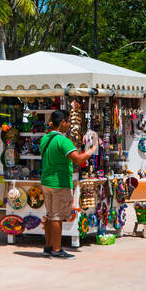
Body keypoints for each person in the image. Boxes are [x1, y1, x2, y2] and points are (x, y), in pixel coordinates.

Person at [39, 109, 93, 258]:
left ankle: (48, 246)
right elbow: (77, 159)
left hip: (47, 181)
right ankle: (57, 249)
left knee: (50, 216)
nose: (69, 124)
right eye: (68, 121)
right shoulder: (63, 141)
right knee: (57, 217)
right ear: (62, 122)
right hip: (59, 183)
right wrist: (91, 151)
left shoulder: (45, 139)